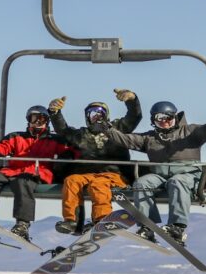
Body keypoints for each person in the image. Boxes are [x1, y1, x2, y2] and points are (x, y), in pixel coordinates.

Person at [101, 100, 206, 244]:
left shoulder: (190, 132)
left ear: (175, 117)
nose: (165, 122)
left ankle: (177, 227)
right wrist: (108, 130)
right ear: (153, 121)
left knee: (177, 181)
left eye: (168, 118)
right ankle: (147, 227)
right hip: (161, 176)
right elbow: (126, 140)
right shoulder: (149, 138)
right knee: (142, 182)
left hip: (187, 175)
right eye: (159, 119)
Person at [0, 106, 76, 240]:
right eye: (34, 118)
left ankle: (22, 224)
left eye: (41, 119)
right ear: (28, 120)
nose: (37, 122)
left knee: (22, 183)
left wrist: (65, 159)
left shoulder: (55, 140)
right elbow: (0, 149)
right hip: (12, 170)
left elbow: (71, 151)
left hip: (38, 171)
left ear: (47, 121)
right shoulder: (16, 137)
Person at [48, 89, 142, 234]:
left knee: (98, 185)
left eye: (100, 113)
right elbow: (63, 131)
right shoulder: (81, 135)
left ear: (106, 116)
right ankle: (71, 221)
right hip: (87, 173)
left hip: (114, 174)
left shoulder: (118, 129)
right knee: (71, 181)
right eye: (93, 114)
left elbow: (134, 117)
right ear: (87, 117)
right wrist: (55, 113)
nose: (97, 117)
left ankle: (101, 219)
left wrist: (131, 100)